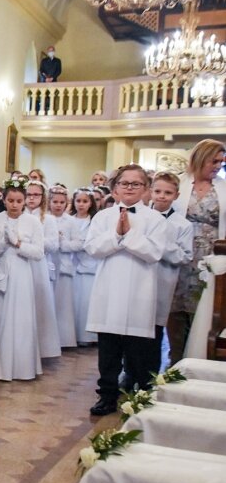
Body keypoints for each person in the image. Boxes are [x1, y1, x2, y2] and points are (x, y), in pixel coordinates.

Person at [85, 164, 166, 415]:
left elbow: (154, 252)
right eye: (124, 183)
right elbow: (92, 248)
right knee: (108, 350)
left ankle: (139, 395)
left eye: (136, 184)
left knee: (138, 350)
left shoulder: (155, 219)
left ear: (146, 189)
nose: (129, 188)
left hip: (139, 290)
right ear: (115, 188)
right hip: (108, 289)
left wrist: (128, 235)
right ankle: (107, 395)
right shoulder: (103, 216)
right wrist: (116, 236)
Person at [168, 139, 226, 364]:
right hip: (181, 255)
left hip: (211, 257)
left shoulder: (222, 187)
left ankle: (198, 358)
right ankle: (175, 357)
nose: (218, 166)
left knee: (203, 307)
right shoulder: (181, 184)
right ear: (201, 158)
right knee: (176, 307)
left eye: (221, 162)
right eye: (214, 161)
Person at [0, 179, 44, 380]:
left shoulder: (33, 222)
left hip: (22, 274)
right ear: (4, 200)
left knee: (20, 319)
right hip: (0, 271)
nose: (14, 204)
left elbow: (38, 252)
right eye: (10, 200)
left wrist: (19, 244)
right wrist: (3, 242)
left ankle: (21, 367)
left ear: (24, 201)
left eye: (19, 201)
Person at [151, 172, 193, 365]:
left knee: (157, 328)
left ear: (176, 195)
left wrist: (163, 244)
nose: (162, 196)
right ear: (150, 192)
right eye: (158, 191)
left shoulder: (182, 224)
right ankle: (130, 370)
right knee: (135, 329)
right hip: (140, 277)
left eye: (168, 192)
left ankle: (149, 373)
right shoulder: (142, 217)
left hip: (164, 279)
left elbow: (185, 256)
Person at [25, 180, 62, 358]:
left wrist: (32, 240)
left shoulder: (48, 219)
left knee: (39, 304)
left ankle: (40, 347)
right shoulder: (17, 215)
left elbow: (54, 244)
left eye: (36, 195)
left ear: (43, 197)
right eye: (29, 194)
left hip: (40, 264)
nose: (32, 198)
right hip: (21, 263)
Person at [49, 185, 78, 348]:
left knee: (63, 303)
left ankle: (64, 339)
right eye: (55, 202)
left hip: (65, 264)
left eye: (61, 202)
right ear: (49, 202)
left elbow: (79, 243)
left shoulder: (71, 221)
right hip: (49, 263)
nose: (58, 205)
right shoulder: (45, 218)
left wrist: (62, 242)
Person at [70, 188, 98, 346]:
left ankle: (87, 336)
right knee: (73, 301)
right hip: (72, 265)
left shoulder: (94, 221)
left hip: (88, 265)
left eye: (85, 201)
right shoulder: (69, 219)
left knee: (85, 301)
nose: (81, 204)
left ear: (91, 203)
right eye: (78, 201)